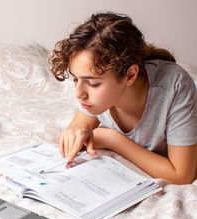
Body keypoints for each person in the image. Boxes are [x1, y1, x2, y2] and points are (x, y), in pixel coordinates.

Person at [49, 12, 197, 184]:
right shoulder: (92, 98)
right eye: (75, 79)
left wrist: (112, 140)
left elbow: (181, 176)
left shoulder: (174, 86)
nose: (79, 93)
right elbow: (80, 129)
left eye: (94, 84)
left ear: (130, 75)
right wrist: (77, 128)